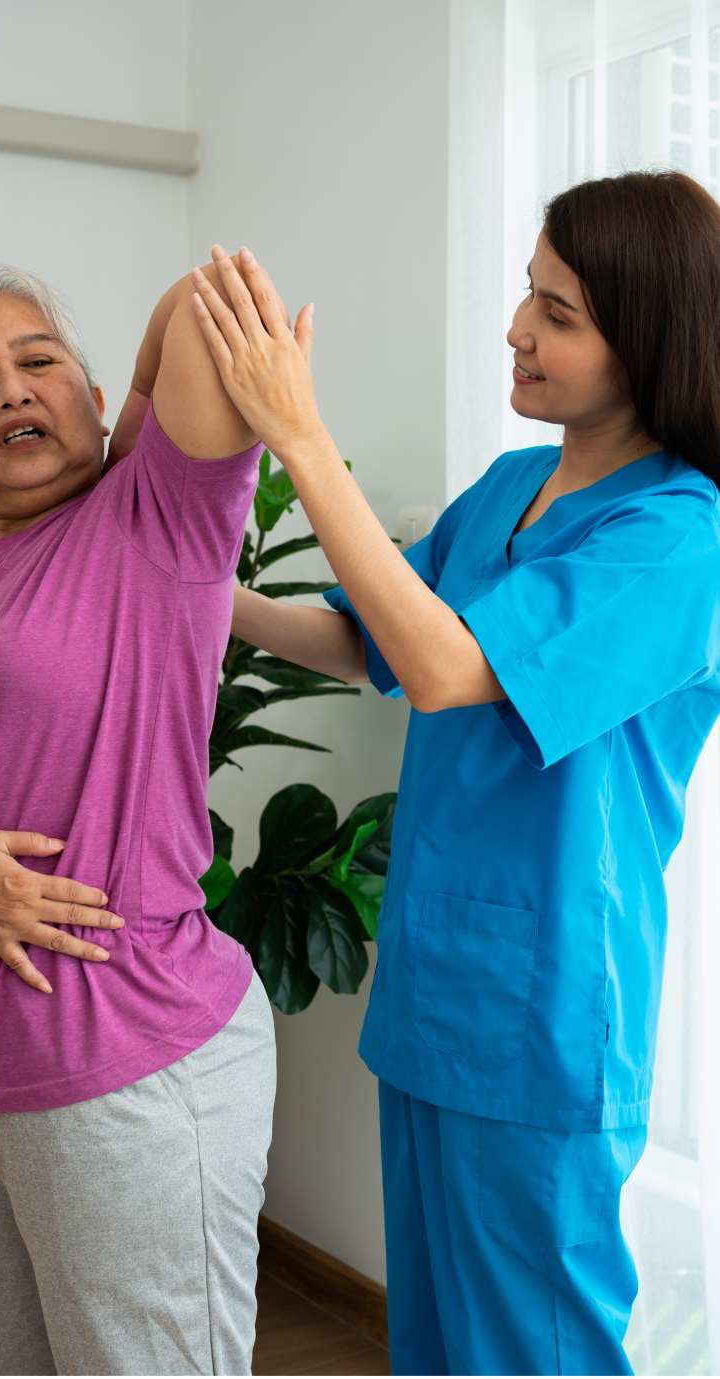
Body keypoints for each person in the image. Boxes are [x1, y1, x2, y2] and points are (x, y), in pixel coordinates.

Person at [188, 170, 720, 1375]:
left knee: (536, 1352)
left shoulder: (680, 539)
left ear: (652, 338)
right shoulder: (510, 489)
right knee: (432, 1343)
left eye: (561, 314)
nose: (519, 329)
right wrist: (202, 599)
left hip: (544, 1010)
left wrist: (300, 435)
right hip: (438, 984)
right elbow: (367, 635)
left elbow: (443, 667)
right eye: (528, 293)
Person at [0, 259, 277, 1377]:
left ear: (96, 402)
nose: (11, 388)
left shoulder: (157, 527)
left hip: (124, 1065)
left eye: (40, 362)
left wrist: (130, 427)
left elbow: (207, 302)